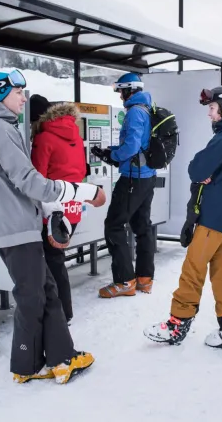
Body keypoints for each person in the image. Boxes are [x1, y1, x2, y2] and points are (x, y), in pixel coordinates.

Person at [0, 69, 104, 384]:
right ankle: (47, 361)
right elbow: (30, 182)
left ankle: (40, 361)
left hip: (12, 224)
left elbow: (15, 184)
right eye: (18, 92)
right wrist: (84, 192)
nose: (24, 98)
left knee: (43, 292)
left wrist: (51, 209)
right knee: (35, 295)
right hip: (15, 226)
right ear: (0, 93)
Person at [143, 86, 222, 354]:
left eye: (212, 108)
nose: (209, 114)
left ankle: (177, 323)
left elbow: (196, 168)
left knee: (193, 270)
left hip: (214, 218)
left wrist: (205, 173)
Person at [91, 72, 156, 298]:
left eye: (120, 90)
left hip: (133, 178)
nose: (119, 95)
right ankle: (145, 279)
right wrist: (113, 153)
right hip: (147, 177)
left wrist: (114, 155)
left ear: (129, 89)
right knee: (142, 226)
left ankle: (124, 281)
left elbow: (130, 147)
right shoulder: (147, 108)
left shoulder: (135, 112)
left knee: (114, 226)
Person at [30, 95, 88, 325]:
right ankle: (63, 311)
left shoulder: (44, 138)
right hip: (72, 206)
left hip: (52, 209)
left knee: (51, 260)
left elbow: (36, 177)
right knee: (57, 258)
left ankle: (61, 312)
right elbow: (82, 169)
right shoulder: (74, 134)